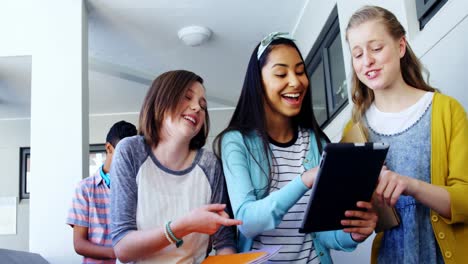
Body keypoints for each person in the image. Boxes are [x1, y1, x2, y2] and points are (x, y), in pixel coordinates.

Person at [215, 32, 378, 264]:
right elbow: (247, 222)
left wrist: (353, 234)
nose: (295, 81)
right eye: (281, 73)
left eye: (300, 71)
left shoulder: (316, 142)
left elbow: (323, 232)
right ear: (258, 83)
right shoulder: (236, 141)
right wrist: (303, 180)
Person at [344, 5, 468, 263]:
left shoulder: (446, 110)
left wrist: (411, 186)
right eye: (357, 54)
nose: (367, 60)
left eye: (376, 48)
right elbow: (355, 216)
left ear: (401, 46)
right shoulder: (354, 131)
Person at [110, 70, 241, 263]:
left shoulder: (209, 164)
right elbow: (122, 247)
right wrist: (184, 225)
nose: (197, 107)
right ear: (161, 99)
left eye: (203, 106)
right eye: (187, 97)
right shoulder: (130, 151)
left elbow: (224, 242)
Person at [67, 120, 138, 264]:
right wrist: (118, 253)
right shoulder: (85, 189)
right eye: (122, 153)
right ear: (109, 148)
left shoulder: (138, 187)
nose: (127, 160)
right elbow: (79, 244)